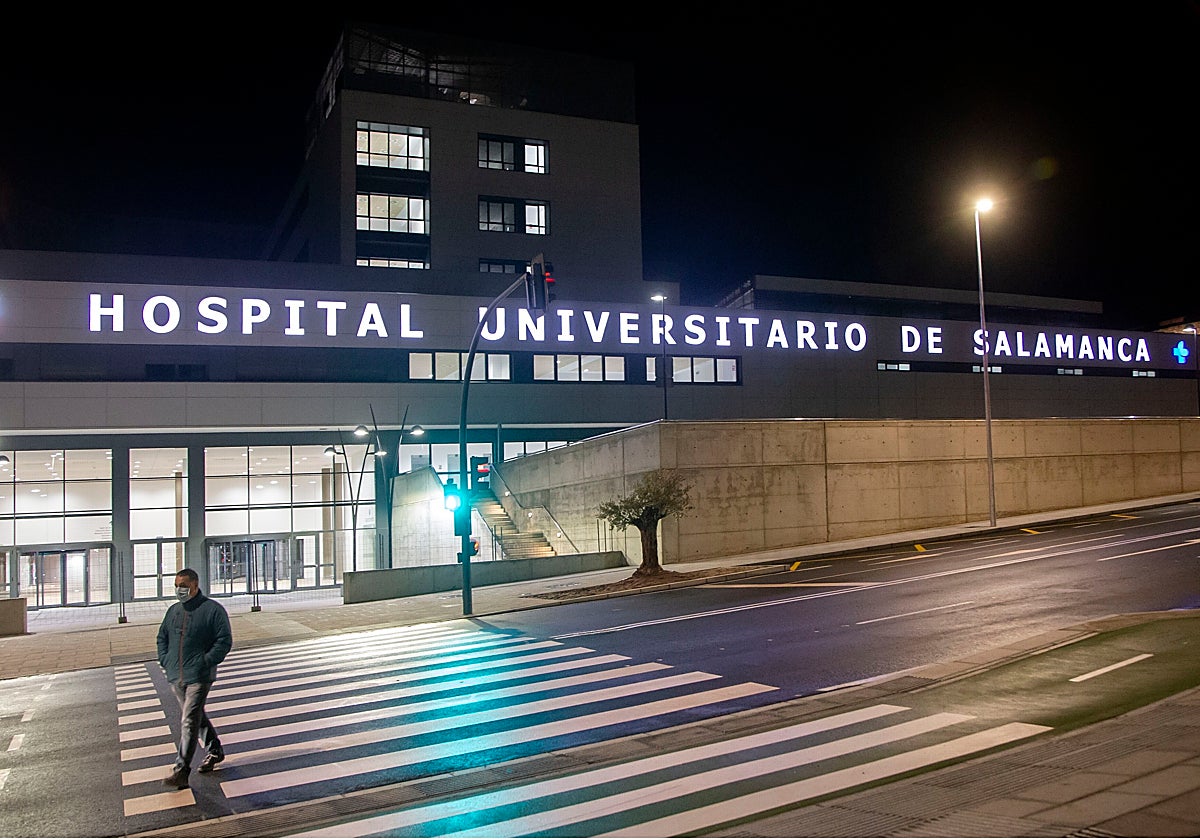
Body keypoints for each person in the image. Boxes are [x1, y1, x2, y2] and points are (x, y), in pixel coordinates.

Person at [156, 568, 233, 789]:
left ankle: (181, 770)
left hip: (199, 676)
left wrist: (206, 661)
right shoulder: (173, 611)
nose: (179, 590)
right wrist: (165, 659)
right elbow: (162, 637)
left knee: (189, 720)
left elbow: (224, 640)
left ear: (195, 585)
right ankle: (215, 750)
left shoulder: (212, 610)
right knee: (195, 717)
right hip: (176, 675)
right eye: (177, 586)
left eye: (184, 586)